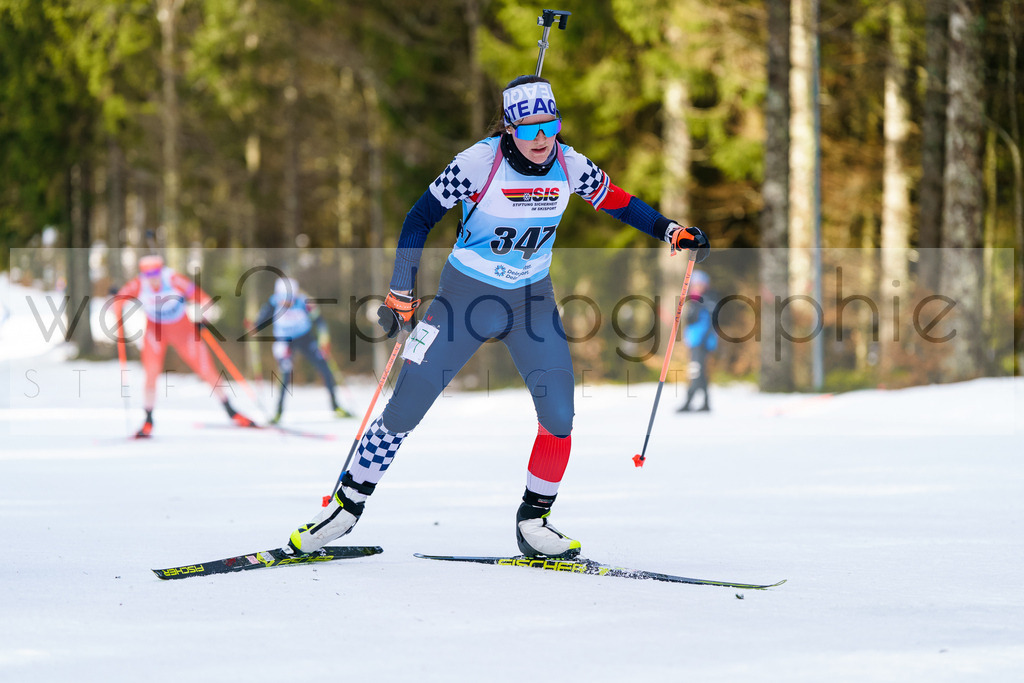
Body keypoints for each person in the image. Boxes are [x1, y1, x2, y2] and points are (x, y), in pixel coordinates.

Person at [287, 75, 709, 559]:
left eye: (550, 126)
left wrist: (670, 230)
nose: (542, 140)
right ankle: (344, 509)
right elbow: (419, 217)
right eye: (529, 130)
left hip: (531, 302)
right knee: (403, 410)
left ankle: (535, 521)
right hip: (464, 299)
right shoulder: (478, 163)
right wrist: (402, 288)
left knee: (559, 415)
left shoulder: (570, 166)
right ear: (509, 129)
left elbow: (618, 202)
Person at [112, 255, 257, 438]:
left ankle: (232, 411)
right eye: (148, 274)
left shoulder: (173, 279)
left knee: (206, 369)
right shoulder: (139, 284)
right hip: (155, 331)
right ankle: (148, 421)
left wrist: (204, 315)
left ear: (161, 270)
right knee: (151, 373)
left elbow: (203, 299)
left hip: (182, 329)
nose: (152, 277)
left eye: (155, 272)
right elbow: (116, 302)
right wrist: (115, 300)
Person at [254, 276, 352, 423]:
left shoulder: (304, 301)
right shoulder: (272, 303)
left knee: (325, 367)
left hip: (304, 338)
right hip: (284, 341)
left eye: (289, 298)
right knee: (285, 374)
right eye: (283, 298)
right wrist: (253, 326)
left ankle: (336, 406)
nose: (286, 302)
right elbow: (259, 323)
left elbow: (320, 322)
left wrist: (324, 340)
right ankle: (278, 412)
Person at [676, 270, 717, 413]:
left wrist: (703, 341)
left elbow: (710, 324)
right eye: (694, 284)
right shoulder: (694, 300)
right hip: (694, 342)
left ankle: (688, 402)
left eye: (700, 284)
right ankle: (705, 403)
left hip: (701, 343)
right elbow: (691, 322)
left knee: (695, 372)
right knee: (699, 373)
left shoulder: (707, 300)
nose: (697, 287)